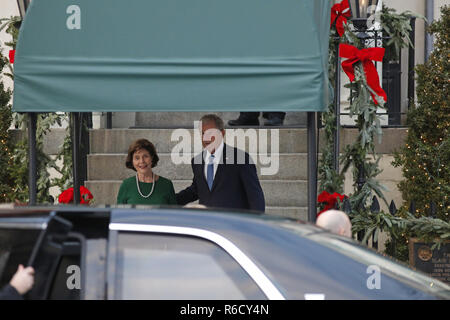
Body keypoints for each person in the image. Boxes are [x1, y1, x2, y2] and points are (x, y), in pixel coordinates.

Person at [176, 114, 265, 212]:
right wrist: (169, 200)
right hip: (206, 223)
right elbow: (197, 189)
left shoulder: (240, 158)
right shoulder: (197, 160)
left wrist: (257, 221)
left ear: (222, 133)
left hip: (232, 224)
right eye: (203, 133)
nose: (206, 138)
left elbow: (255, 195)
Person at [117, 139, 177, 205]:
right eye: (137, 158)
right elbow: (119, 214)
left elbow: (174, 214)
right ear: (132, 161)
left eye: (145, 156)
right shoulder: (126, 185)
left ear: (152, 158)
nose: (141, 161)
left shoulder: (167, 185)